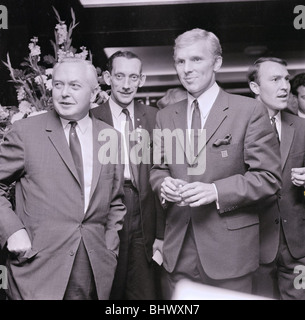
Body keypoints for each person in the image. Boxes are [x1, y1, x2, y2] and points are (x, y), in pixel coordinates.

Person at [149, 28, 282, 299]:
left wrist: (216, 191)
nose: (186, 69)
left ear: (217, 63)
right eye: (180, 61)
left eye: (196, 59)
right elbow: (158, 169)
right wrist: (164, 185)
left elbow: (269, 177)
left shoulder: (249, 110)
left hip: (229, 254)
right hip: (178, 251)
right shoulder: (165, 116)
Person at [0, 57, 126, 300]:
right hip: (37, 269)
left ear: (93, 93)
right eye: (58, 85)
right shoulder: (25, 133)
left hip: (93, 269)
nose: (64, 93)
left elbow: (116, 201)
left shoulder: (111, 137)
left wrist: (109, 248)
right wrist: (12, 230)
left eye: (75, 86)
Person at [91, 50, 164, 300]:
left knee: (143, 289)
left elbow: (163, 174)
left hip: (145, 209)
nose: (126, 84)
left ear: (141, 80)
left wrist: (162, 234)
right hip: (105, 208)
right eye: (120, 76)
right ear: (107, 77)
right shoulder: (90, 117)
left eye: (133, 77)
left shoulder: (155, 118)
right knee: (108, 284)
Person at [248, 57, 305, 300]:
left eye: (286, 79)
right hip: (254, 244)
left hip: (297, 244)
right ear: (255, 88)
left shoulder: (301, 126)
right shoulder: (236, 127)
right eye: (275, 79)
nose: (285, 86)